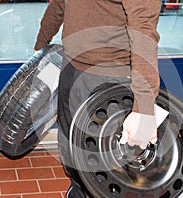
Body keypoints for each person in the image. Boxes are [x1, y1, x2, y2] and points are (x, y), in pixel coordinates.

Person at [34, 0, 161, 197]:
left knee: (103, 164)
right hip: (71, 66)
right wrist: (41, 46)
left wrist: (143, 107)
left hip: (110, 78)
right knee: (70, 148)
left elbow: (143, 25)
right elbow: (59, 3)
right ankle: (78, 191)